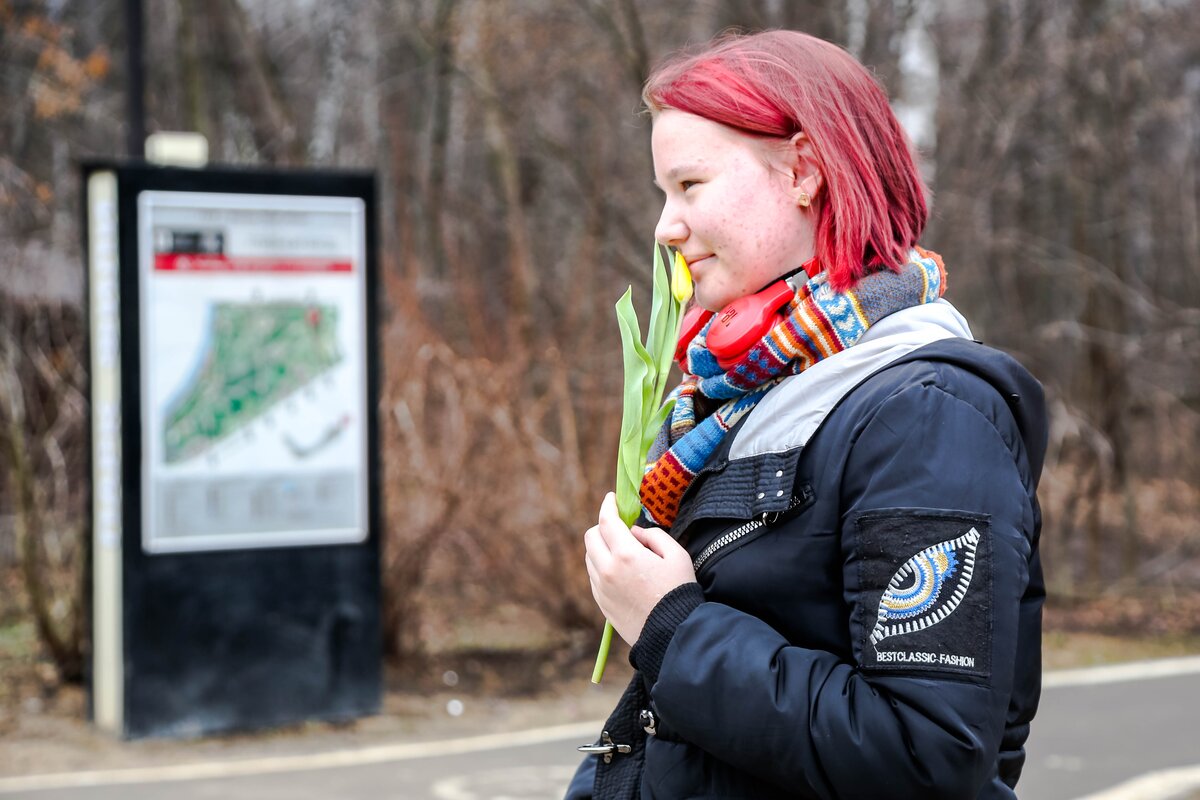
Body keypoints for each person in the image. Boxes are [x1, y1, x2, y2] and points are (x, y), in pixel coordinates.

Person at [567, 29, 1046, 800]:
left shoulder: (926, 417)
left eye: (689, 186)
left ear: (804, 172)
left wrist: (672, 628)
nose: (665, 226)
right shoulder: (738, 398)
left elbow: (924, 756)